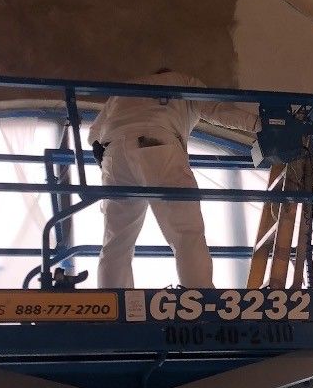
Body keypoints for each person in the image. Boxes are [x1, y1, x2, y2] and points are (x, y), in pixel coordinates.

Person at [90, 70, 257, 288]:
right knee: (186, 231)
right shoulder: (182, 81)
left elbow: (93, 135)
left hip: (113, 154)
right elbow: (215, 110)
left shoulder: (125, 89)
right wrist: (258, 125)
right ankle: (200, 299)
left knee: (117, 240)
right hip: (157, 145)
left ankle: (113, 305)